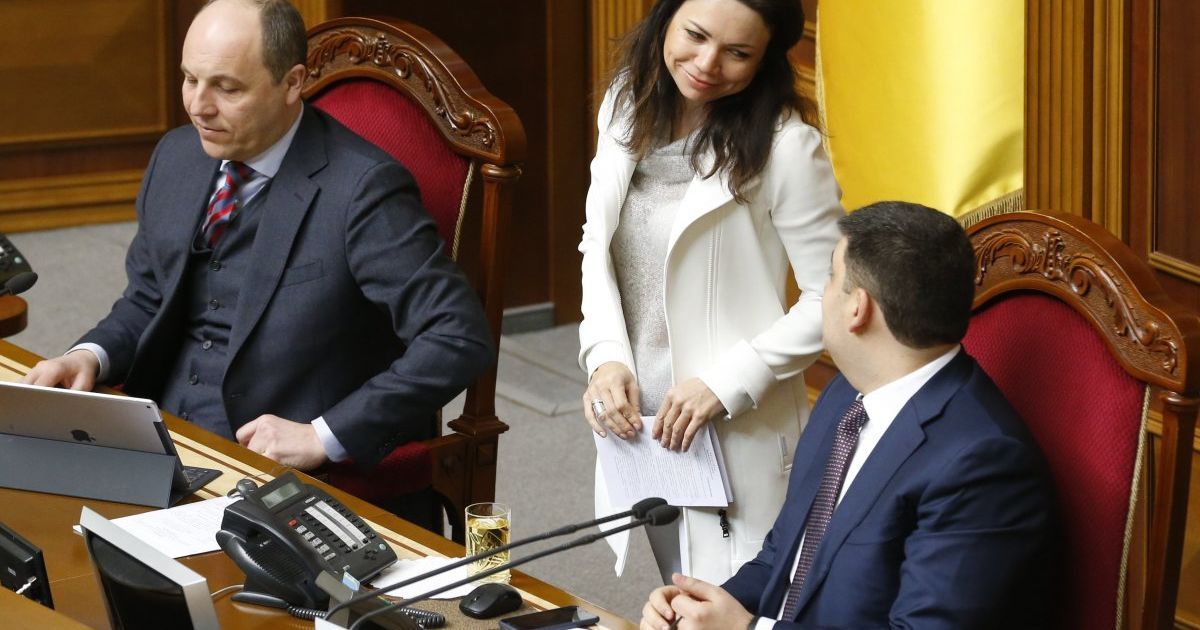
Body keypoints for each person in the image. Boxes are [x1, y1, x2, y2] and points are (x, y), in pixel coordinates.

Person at [22, 0, 492, 523]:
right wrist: (90, 356)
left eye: (226, 88)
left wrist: (323, 435)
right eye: (190, 79)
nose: (198, 107)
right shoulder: (177, 157)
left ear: (292, 84)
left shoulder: (362, 190)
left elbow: (457, 338)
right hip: (158, 441)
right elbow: (149, 298)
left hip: (273, 480)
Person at [640, 201, 1059, 629]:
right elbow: (782, 557)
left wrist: (744, 629)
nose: (820, 295)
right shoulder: (847, 395)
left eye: (830, 278)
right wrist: (698, 607)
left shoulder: (982, 464)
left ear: (858, 308)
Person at [578, 0, 843, 584]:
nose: (706, 63)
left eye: (737, 53)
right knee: (675, 591)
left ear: (765, 59)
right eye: (695, 36)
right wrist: (605, 358)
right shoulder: (625, 104)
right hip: (641, 423)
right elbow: (597, 246)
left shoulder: (787, 148)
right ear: (665, 19)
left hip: (732, 427)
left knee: (735, 602)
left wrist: (727, 384)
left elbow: (833, 298)